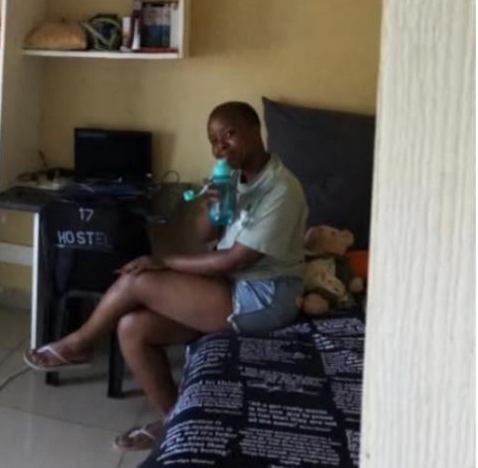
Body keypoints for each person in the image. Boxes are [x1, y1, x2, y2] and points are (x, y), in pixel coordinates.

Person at [23, 101, 307, 450]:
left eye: (229, 135)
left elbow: (234, 259)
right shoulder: (235, 177)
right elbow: (207, 236)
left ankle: (81, 342)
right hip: (230, 284)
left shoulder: (281, 188)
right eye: (214, 141)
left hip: (264, 295)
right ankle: (173, 419)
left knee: (140, 278)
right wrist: (213, 210)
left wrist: (166, 261)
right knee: (131, 328)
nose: (221, 147)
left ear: (254, 130)